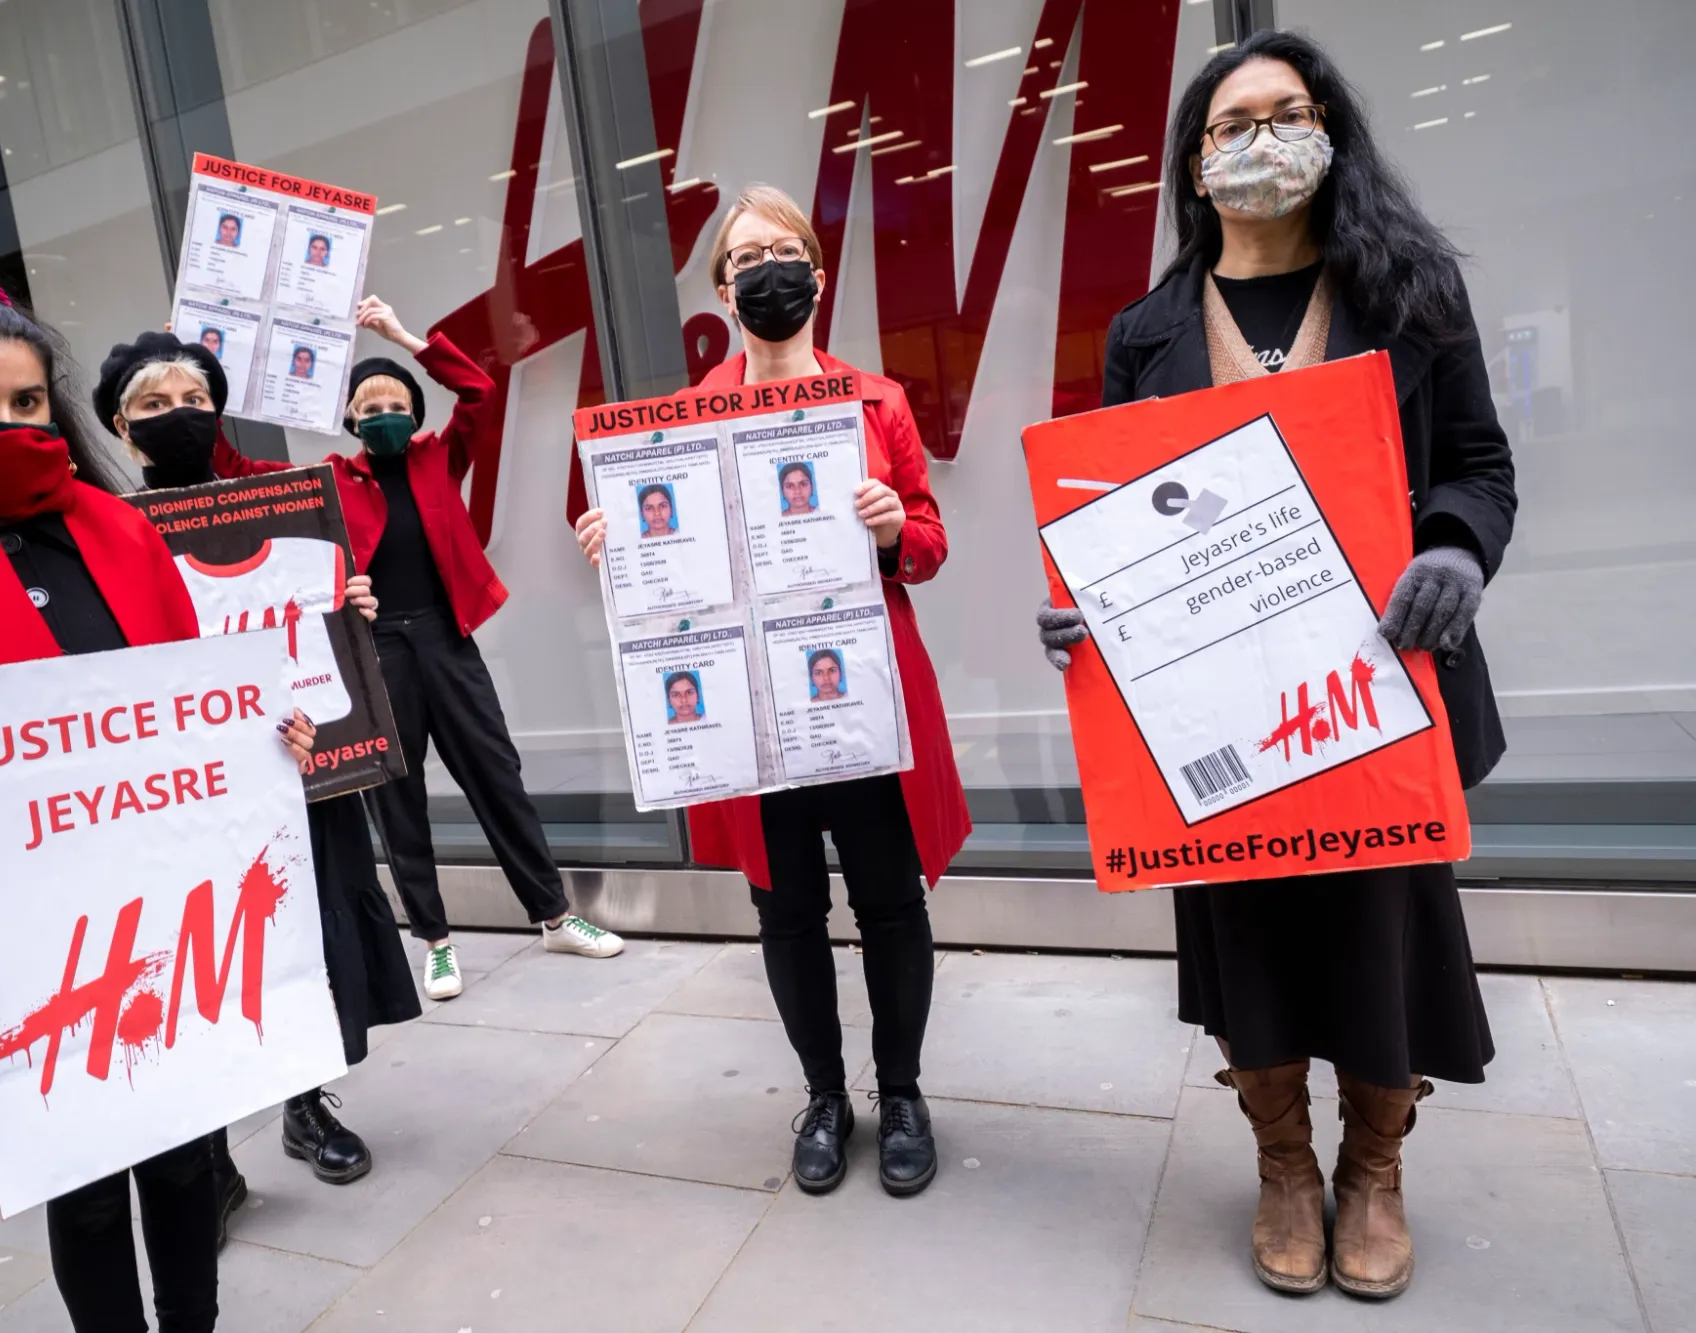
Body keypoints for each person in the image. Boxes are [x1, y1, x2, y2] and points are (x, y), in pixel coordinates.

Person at [1039, 31, 1515, 1300]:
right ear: (1195, 164)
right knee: (1243, 932)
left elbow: (1478, 466)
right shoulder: (1144, 332)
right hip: (1214, 705)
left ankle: (1372, 1169)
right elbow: (1112, 518)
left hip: (1378, 684)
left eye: (1286, 113)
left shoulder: (1408, 296)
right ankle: (1284, 1168)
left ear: (1326, 132)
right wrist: (1084, 610)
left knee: (1376, 930)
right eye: (1231, 124)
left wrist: (1454, 552)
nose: (1262, 140)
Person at [0, 280, 317, 1332]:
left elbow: (190, 694)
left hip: (168, 890)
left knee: (184, 1151)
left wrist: (267, 735)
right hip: (16, 918)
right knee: (81, 1177)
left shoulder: (118, 531)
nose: (6, 422)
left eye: (26, 401)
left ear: (54, 403)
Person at [575, 186, 970, 1197]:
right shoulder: (675, 427)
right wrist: (618, 546)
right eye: (745, 258)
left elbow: (929, 544)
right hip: (753, 714)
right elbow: (670, 564)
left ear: (818, 275)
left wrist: (896, 529)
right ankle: (824, 1096)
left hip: (859, 699)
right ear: (721, 288)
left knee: (890, 903)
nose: (767, 270)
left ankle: (901, 1092)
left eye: (784, 250)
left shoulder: (875, 403)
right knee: (785, 910)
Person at [93, 331, 423, 1236]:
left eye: (193, 400)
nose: (177, 417)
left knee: (303, 935)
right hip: (181, 791)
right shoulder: (105, 531)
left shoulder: (281, 506)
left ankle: (305, 1105)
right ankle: (205, 1158)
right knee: (197, 952)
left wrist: (349, 609)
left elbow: (321, 625)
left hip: (293, 765)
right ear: (121, 425)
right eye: (153, 405)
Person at [212, 294, 624, 1002]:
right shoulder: (334, 480)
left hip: (446, 639)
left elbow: (481, 391)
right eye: (368, 407)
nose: (383, 414)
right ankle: (434, 942)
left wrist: (404, 336)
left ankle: (555, 915)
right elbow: (234, 468)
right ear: (350, 420)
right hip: (378, 653)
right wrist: (210, 369)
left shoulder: (440, 456)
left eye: (395, 403)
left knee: (498, 778)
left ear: (414, 410)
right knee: (398, 801)